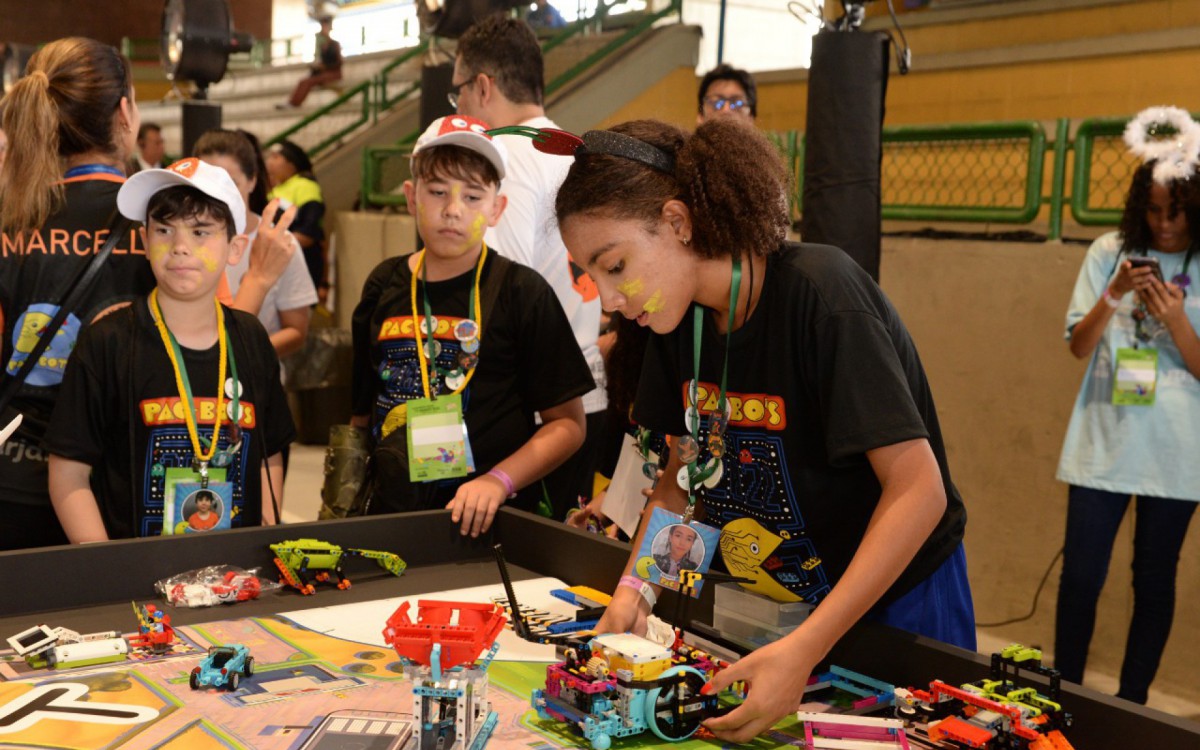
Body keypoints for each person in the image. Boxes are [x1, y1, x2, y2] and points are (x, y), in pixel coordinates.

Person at [555, 118, 973, 742]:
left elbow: (919, 491)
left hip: (899, 601)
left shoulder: (821, 296)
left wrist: (806, 647)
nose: (609, 299)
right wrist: (633, 593)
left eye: (614, 265)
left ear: (677, 222)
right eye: (592, 275)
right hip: (796, 613)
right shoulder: (675, 325)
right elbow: (679, 483)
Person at [350, 115, 594, 537]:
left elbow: (569, 425)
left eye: (473, 196)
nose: (452, 210)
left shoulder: (522, 292)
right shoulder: (383, 283)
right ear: (411, 198)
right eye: (437, 191)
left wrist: (499, 481)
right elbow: (358, 414)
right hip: (390, 515)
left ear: (497, 208)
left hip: (485, 521)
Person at [44, 157, 295, 542]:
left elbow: (269, 452)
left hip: (233, 577)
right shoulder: (107, 342)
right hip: (134, 576)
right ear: (145, 242)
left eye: (200, 232)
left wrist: (260, 537)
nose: (179, 247)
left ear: (234, 247)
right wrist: (105, 566)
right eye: (164, 230)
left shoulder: (249, 338)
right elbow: (68, 473)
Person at [1054, 107, 1200, 706]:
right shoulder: (1109, 250)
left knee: (1154, 580)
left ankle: (1134, 705)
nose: (1164, 225)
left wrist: (1175, 320)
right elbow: (1079, 346)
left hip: (1176, 450)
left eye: (1177, 211)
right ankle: (1060, 697)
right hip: (1103, 442)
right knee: (1082, 577)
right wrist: (1112, 295)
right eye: (1154, 210)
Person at [0, 37, 156, 550]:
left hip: (11, 479)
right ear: (125, 113)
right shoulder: (161, 223)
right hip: (114, 487)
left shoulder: (11, 217)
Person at [453, 15, 609, 520]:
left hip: (533, 416)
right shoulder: (573, 150)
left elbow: (499, 285)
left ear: (482, 85)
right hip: (586, 394)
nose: (457, 106)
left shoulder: (503, 156)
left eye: (456, 91)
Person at [195, 129, 315, 357]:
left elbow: (296, 330)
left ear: (252, 180)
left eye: (230, 184)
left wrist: (247, 357)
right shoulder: (180, 245)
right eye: (207, 185)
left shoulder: (279, 244)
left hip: (256, 383)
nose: (218, 196)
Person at [266, 139, 326, 294]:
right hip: (276, 264)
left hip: (301, 264)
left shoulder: (305, 185)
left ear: (291, 164)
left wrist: (270, 245)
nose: (269, 162)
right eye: (269, 157)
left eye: (275, 157)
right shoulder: (276, 188)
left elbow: (308, 232)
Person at [280, 14, 343, 109]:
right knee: (303, 81)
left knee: (307, 82)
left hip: (333, 73)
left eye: (325, 26)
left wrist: (325, 66)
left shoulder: (335, 44)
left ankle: (294, 103)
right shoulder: (322, 46)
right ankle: (293, 102)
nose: (323, 29)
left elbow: (339, 62)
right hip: (323, 73)